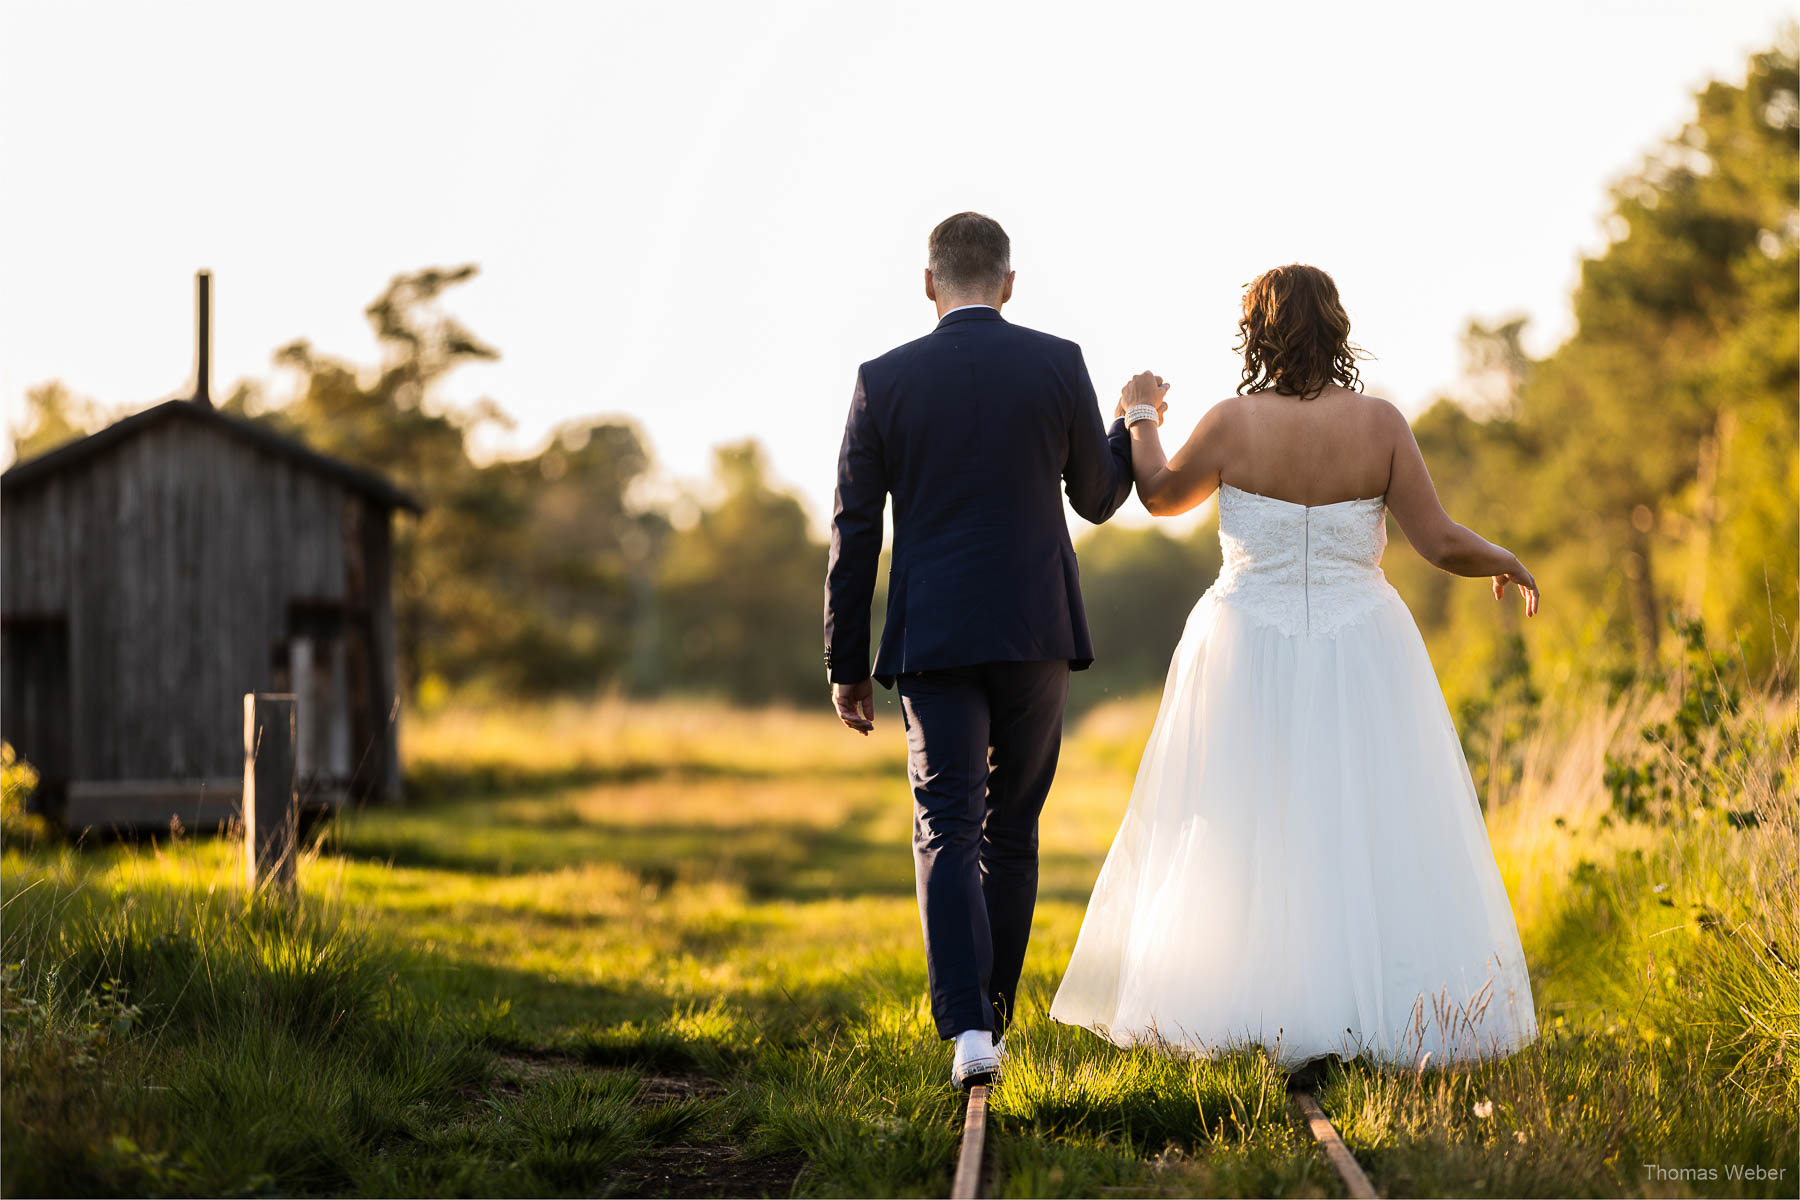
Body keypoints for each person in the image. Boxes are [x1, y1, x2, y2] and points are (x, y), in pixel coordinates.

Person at [1050, 264, 1540, 1069]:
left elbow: (1164, 495)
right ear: (1337, 327)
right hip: (1362, 643)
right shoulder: (1381, 424)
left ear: (1259, 333)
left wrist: (1140, 416)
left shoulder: (1231, 423)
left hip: (1244, 640)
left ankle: (1244, 1006)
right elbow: (1441, 540)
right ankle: (1364, 1010)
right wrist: (1505, 557)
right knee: (1364, 818)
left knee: (1242, 817)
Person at [824, 212, 1152, 1089]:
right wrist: (1127, 424)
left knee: (945, 824)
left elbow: (854, 531)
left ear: (929, 283)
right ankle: (992, 1021)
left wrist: (844, 665)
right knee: (1011, 830)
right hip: (1035, 629)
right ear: (1008, 283)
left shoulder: (882, 379)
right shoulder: (1056, 362)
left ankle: (970, 1029)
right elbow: (1096, 496)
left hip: (931, 637)